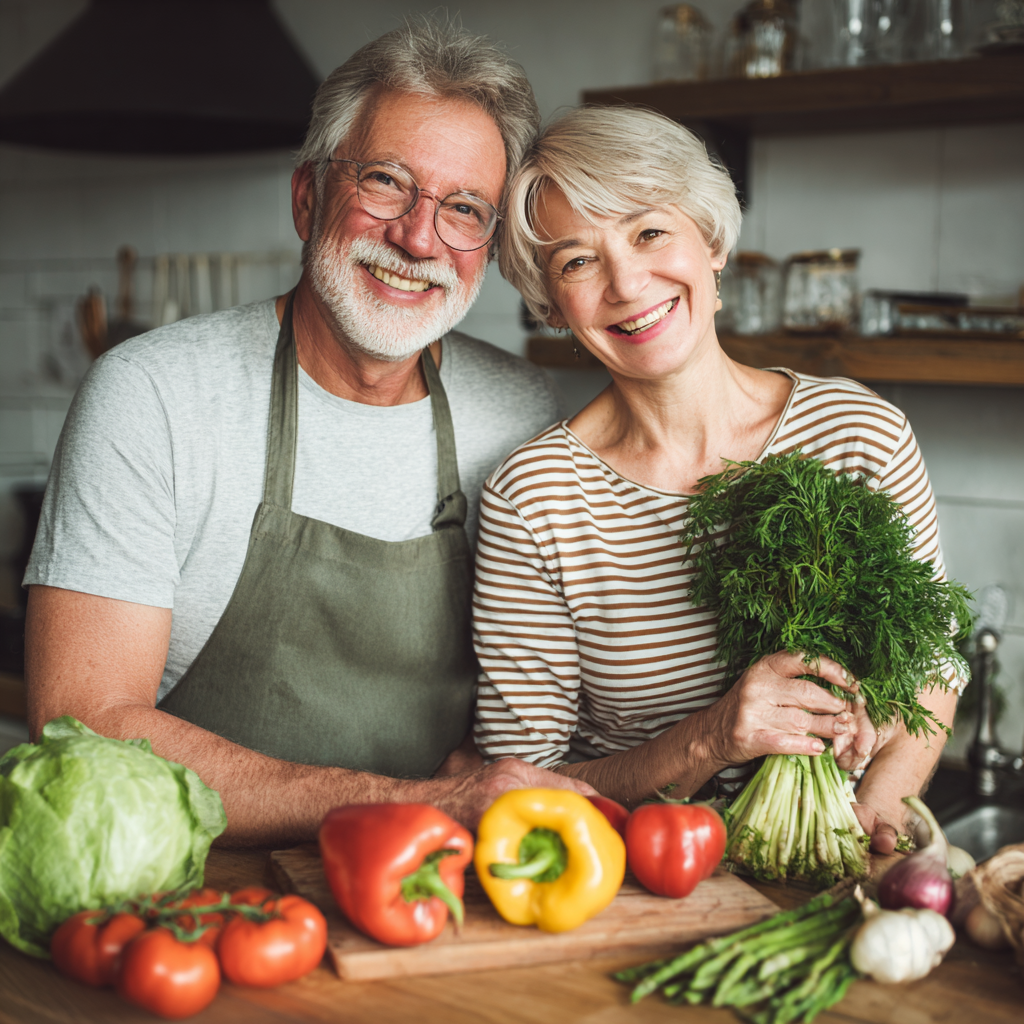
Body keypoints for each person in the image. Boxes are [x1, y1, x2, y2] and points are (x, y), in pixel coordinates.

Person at [24, 21, 593, 845]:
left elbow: (542, 697)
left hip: (428, 885)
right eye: (388, 182)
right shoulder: (154, 394)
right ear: (306, 198)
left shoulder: (518, 412)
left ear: (490, 242)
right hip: (192, 893)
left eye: (464, 208)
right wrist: (408, 804)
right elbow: (85, 723)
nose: (418, 237)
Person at [473, 105, 963, 854]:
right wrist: (710, 738)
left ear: (709, 239)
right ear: (550, 304)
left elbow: (931, 666)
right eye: (577, 260)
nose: (628, 282)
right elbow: (523, 781)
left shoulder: (859, 433)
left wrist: (871, 819)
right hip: (638, 884)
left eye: (649, 232)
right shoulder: (536, 495)